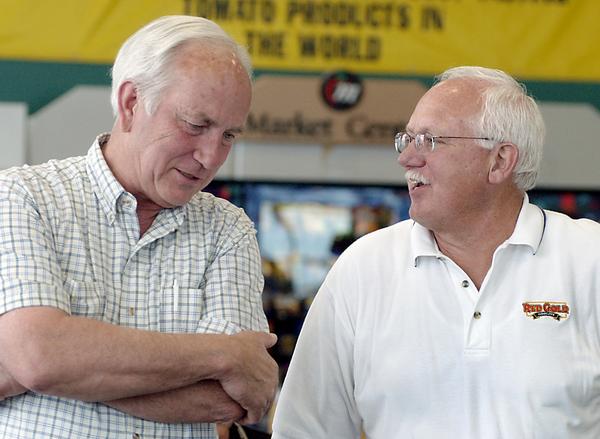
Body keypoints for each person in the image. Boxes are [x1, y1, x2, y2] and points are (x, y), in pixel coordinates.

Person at [272, 66, 600, 438]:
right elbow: (304, 430)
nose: (407, 159)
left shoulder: (589, 259)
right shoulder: (363, 269)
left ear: (499, 160)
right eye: (407, 140)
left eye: (429, 140)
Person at [0, 15, 279, 439]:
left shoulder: (228, 229)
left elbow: (229, 399)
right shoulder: (25, 197)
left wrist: (58, 369)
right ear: (131, 102)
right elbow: (39, 356)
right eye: (196, 125)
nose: (210, 157)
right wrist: (225, 354)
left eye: (228, 136)